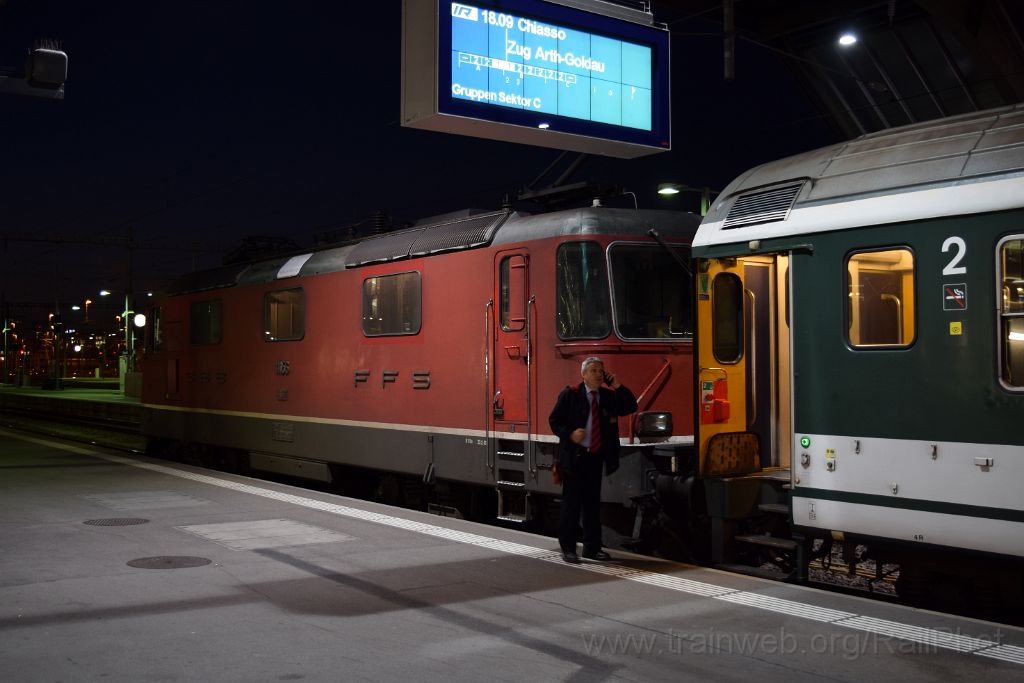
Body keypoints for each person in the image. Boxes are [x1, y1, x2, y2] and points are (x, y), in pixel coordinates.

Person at [548, 356, 637, 563]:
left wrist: (617, 385)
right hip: (575, 458)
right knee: (571, 505)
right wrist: (570, 434)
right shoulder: (570, 395)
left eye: (601, 371)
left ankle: (592, 548)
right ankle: (568, 548)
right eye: (594, 370)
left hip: (595, 457)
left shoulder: (608, 396)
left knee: (592, 505)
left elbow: (630, 406)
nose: (598, 374)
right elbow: (554, 420)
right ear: (584, 374)